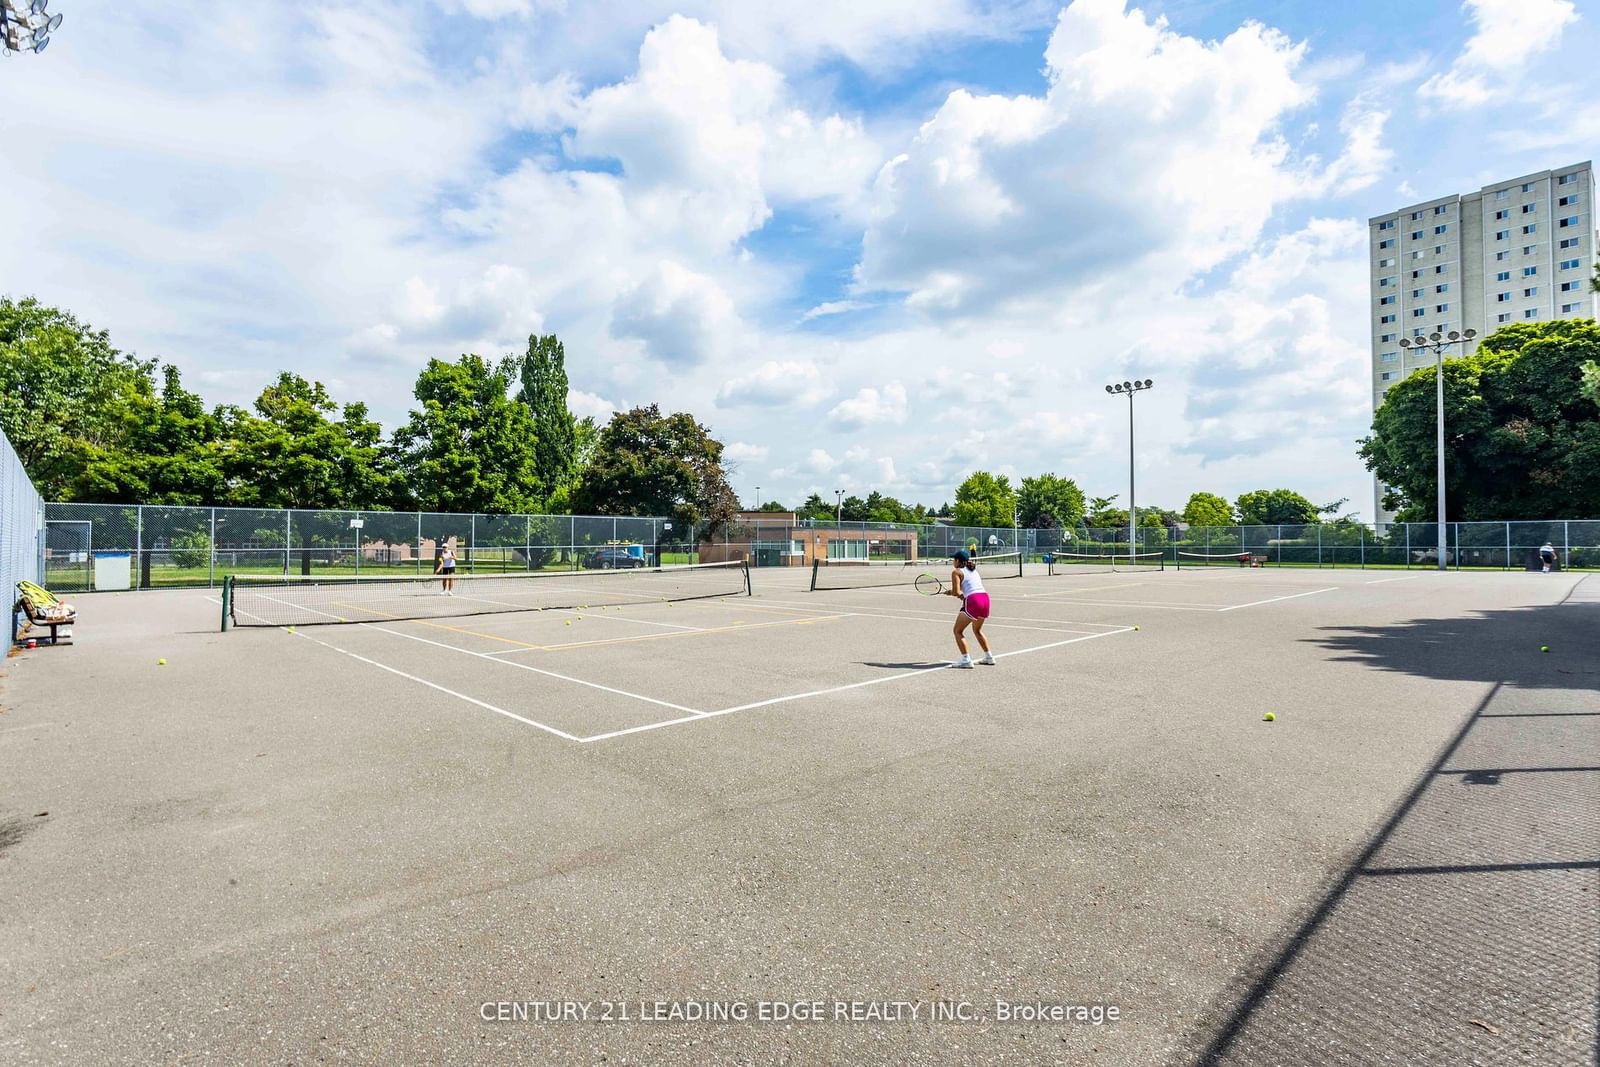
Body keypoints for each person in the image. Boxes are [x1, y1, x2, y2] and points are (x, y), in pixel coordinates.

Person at [946, 549, 995, 668]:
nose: (953, 562)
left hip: (974, 601)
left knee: (957, 631)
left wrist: (951, 592)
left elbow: (956, 591)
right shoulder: (973, 570)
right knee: (977, 630)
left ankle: (966, 659)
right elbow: (967, 590)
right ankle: (989, 657)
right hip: (985, 599)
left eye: (954, 559)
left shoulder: (956, 572)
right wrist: (958, 594)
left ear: (958, 561)